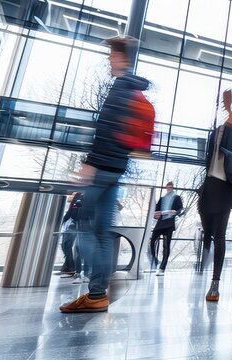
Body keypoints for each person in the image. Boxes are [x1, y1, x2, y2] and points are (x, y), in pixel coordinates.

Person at [59, 36, 151, 313]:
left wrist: (90, 163)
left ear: (122, 58)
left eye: (112, 55)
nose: (109, 60)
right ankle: (97, 293)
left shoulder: (120, 88)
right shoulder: (134, 90)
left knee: (83, 226)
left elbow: (107, 129)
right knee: (100, 229)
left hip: (101, 167)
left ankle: (100, 288)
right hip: (117, 168)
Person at [199, 88, 232, 302]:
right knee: (208, 231)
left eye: (226, 102)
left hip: (226, 187)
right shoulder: (216, 130)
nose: (223, 104)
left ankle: (215, 284)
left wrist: (230, 109)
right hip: (209, 185)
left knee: (219, 234)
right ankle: (207, 263)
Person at [152, 182, 183, 276]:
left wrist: (175, 212)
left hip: (169, 224)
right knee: (152, 241)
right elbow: (156, 210)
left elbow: (180, 209)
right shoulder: (162, 198)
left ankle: (162, 268)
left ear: (173, 188)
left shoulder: (177, 198)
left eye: (171, 187)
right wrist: (156, 214)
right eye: (168, 186)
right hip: (160, 223)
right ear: (166, 187)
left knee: (166, 246)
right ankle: (155, 261)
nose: (169, 188)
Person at [58, 192, 82, 277]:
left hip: (81, 224)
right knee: (65, 245)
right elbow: (71, 209)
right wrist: (62, 221)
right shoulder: (78, 194)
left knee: (78, 248)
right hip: (72, 223)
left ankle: (70, 268)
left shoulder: (91, 194)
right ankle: (69, 267)